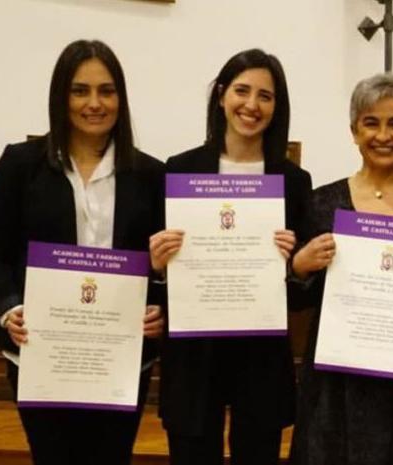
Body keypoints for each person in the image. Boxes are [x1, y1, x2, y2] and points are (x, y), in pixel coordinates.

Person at [0, 39, 165, 465]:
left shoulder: (149, 174)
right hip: (42, 351)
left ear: (121, 99)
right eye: (80, 91)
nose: (94, 103)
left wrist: (160, 307)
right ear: (60, 97)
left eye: (106, 91)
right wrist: (8, 308)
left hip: (121, 357)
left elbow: (162, 263)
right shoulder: (20, 165)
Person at [287, 72, 393, 465]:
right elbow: (297, 300)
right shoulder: (320, 203)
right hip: (338, 386)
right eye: (371, 123)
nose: (383, 135)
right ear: (354, 131)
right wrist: (300, 266)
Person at [151, 48, 313, 465]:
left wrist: (293, 264)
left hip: (260, 355)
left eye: (265, 96)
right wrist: (160, 266)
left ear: (277, 107)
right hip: (194, 354)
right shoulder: (179, 170)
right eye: (242, 90)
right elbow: (158, 278)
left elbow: (300, 295)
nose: (251, 105)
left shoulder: (292, 181)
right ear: (222, 95)